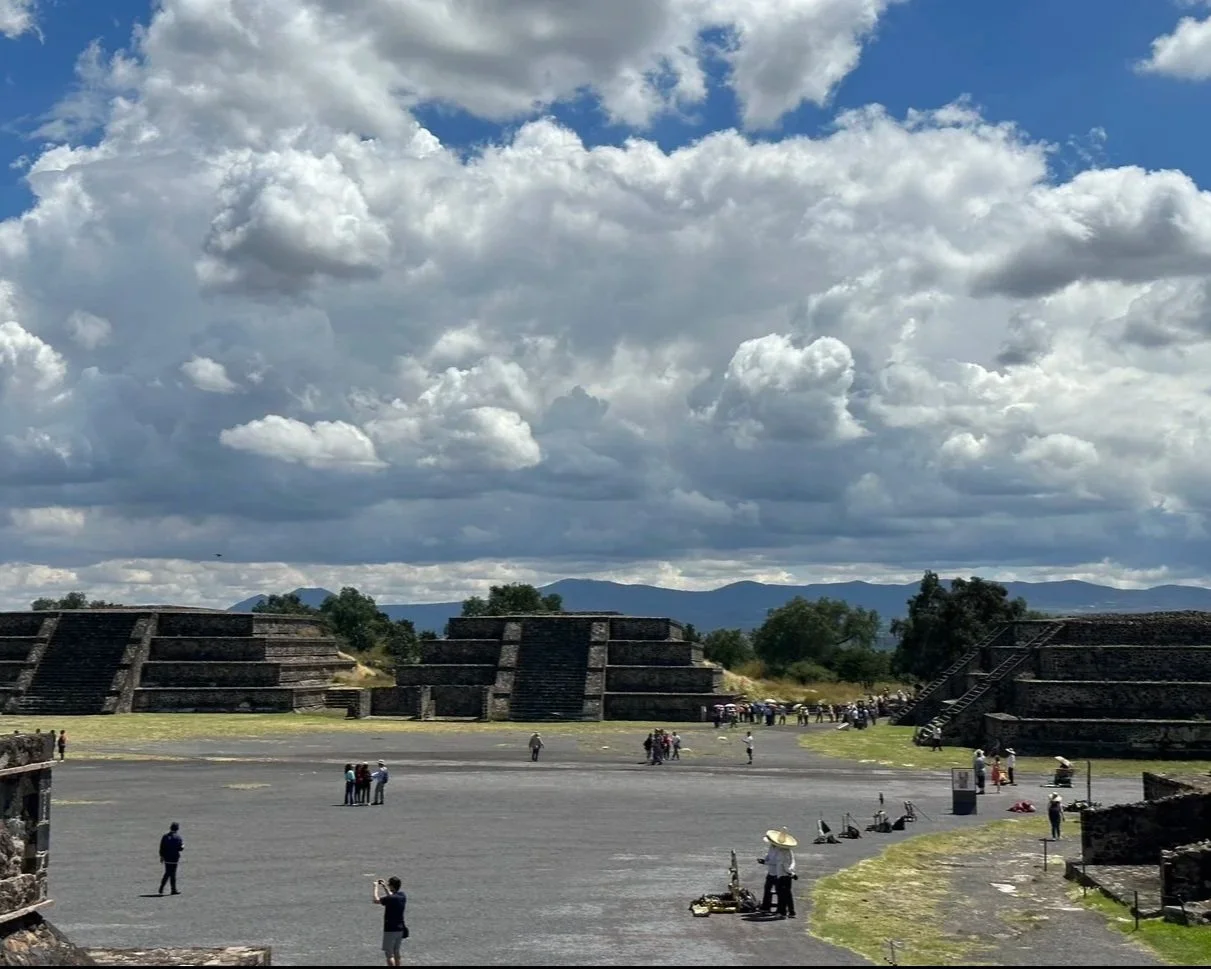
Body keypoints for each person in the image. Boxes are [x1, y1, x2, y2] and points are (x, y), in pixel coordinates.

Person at [757, 828, 798, 918]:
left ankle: (783, 912)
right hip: (778, 873)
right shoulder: (775, 848)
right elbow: (770, 857)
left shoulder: (782, 852)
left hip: (780, 874)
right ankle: (786, 911)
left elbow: (783, 864)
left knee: (782, 894)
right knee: (778, 891)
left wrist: (791, 872)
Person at [373, 875, 408, 967]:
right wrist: (384, 886)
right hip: (400, 928)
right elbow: (391, 896)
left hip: (390, 929)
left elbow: (376, 900)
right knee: (396, 952)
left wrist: (375, 887)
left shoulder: (390, 899)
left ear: (392, 886)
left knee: (389, 954)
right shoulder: (402, 896)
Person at [158, 822, 183, 895]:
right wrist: (183, 846)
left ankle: (162, 887)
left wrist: (161, 856)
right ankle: (173, 889)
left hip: (167, 857)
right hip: (174, 858)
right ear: (177, 829)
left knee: (167, 872)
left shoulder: (165, 836)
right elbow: (180, 848)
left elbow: (161, 847)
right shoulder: (178, 837)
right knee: (172, 874)